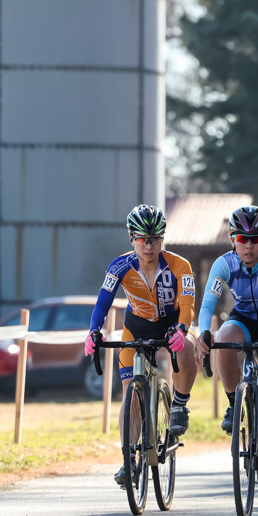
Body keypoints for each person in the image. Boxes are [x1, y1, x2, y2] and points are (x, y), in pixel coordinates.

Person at [85, 205, 199, 488]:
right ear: (131, 238)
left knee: (186, 350)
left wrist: (182, 330)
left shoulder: (180, 265)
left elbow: (187, 304)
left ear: (162, 239)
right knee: (130, 396)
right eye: (141, 239)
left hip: (172, 324)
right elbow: (103, 301)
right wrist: (93, 331)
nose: (148, 245)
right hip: (136, 327)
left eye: (155, 239)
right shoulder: (119, 266)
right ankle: (128, 460)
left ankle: (179, 406)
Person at [194, 205, 258, 500]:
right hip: (244, 320)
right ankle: (233, 402)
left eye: (256, 240)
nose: (249, 246)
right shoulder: (223, 264)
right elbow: (207, 305)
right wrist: (204, 332)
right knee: (223, 339)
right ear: (232, 239)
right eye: (243, 239)